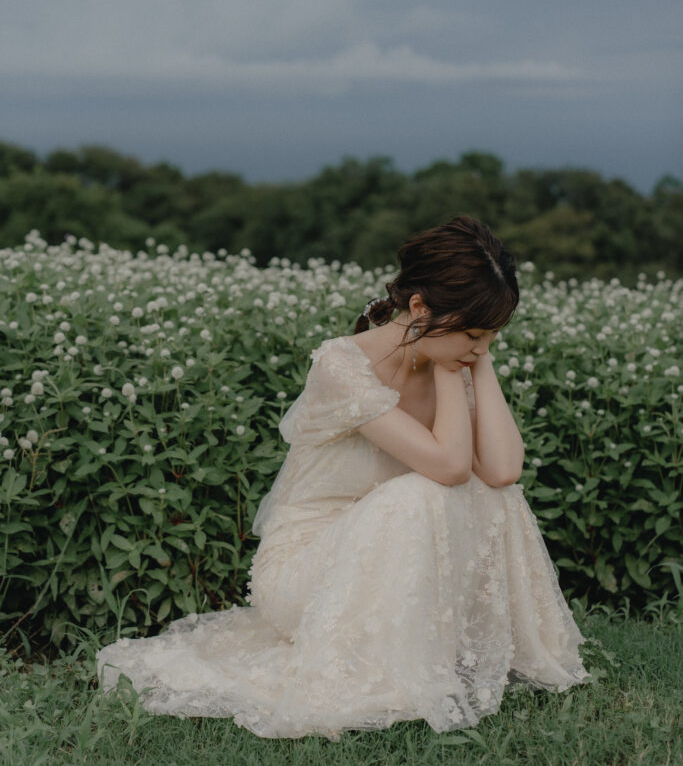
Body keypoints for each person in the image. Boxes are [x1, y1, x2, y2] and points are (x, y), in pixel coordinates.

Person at [97, 216, 588, 739]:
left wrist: (472, 362)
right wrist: (451, 364)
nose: (483, 348)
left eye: (493, 335)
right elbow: (446, 468)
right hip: (308, 567)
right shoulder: (342, 364)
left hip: (391, 541)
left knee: (496, 495)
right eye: (473, 333)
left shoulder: (456, 356)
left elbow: (504, 470)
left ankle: (456, 646)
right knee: (428, 488)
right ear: (419, 309)